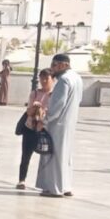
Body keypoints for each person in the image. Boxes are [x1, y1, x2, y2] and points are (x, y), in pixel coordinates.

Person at [36, 54, 82, 198]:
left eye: (54, 65)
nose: (52, 68)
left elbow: (57, 105)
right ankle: (65, 186)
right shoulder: (77, 78)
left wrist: (44, 120)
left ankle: (54, 188)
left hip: (58, 125)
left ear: (64, 65)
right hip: (69, 123)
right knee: (65, 156)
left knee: (54, 156)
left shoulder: (64, 80)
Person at [18, 68, 55, 190]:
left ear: (52, 79)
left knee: (48, 156)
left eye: (46, 78)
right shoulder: (34, 94)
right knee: (26, 155)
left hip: (45, 129)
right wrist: (35, 107)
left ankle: (47, 183)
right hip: (30, 128)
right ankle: (22, 180)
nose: (43, 81)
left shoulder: (54, 95)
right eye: (41, 78)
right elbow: (28, 112)